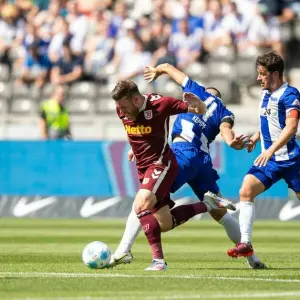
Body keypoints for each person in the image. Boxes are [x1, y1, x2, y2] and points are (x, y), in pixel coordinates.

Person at [109, 63, 266, 270]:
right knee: (221, 215)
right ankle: (252, 258)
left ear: (206, 91)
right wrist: (233, 143)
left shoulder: (194, 90)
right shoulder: (224, 111)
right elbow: (227, 135)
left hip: (181, 154)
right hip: (202, 161)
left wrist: (157, 70)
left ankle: (122, 250)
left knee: (144, 200)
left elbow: (169, 68)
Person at [227, 51, 300, 260]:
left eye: (262, 74)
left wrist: (270, 150)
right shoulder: (265, 93)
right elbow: (269, 121)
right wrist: (256, 138)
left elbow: (291, 127)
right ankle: (246, 243)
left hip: (291, 159)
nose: (258, 78)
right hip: (269, 160)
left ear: (275, 74)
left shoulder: (290, 95)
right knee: (246, 190)